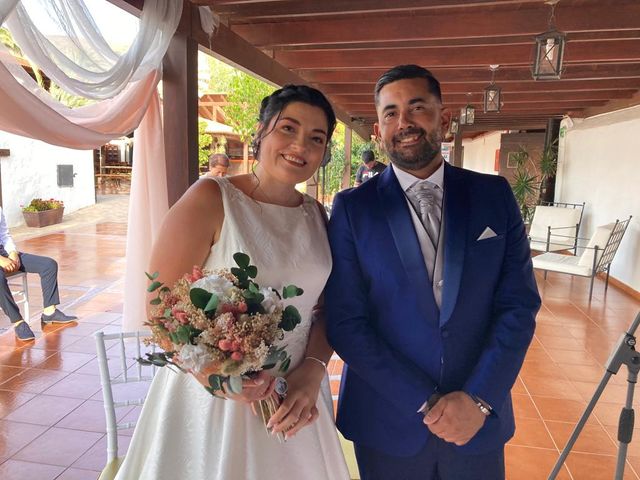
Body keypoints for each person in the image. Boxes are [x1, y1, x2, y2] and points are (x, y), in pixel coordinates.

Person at [114, 85, 349, 480]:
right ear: (260, 132)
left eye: (316, 138)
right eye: (287, 128)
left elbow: (323, 311)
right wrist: (216, 376)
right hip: (215, 397)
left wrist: (311, 372)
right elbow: (159, 307)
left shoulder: (317, 216)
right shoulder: (210, 197)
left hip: (297, 395)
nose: (300, 146)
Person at [325, 64, 540, 479]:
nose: (403, 123)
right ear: (378, 129)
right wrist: (426, 401)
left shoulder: (493, 195)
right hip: (387, 420)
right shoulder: (353, 209)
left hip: (478, 420)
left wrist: (478, 400)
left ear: (444, 118)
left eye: (416, 107)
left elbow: (518, 304)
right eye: (390, 113)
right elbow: (347, 321)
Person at [0, 206, 77, 341]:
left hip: (3, 252)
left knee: (48, 265)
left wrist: (12, 252)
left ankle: (49, 312)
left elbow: (4, 235)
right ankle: (19, 322)